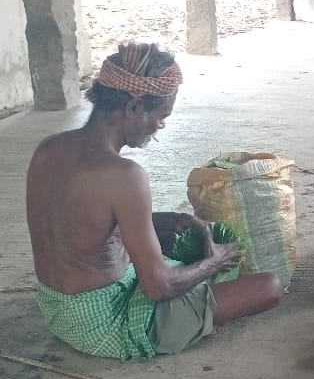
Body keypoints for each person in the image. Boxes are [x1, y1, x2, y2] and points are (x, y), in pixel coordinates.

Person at [26, 42, 283, 360]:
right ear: (133, 108)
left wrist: (160, 219)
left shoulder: (48, 149)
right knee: (269, 286)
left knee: (171, 238)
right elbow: (158, 288)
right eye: (161, 116)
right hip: (106, 323)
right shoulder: (124, 175)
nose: (161, 126)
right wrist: (215, 262)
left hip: (59, 309)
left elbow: (77, 223)